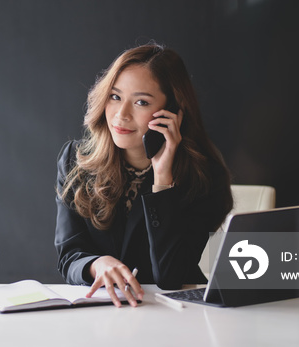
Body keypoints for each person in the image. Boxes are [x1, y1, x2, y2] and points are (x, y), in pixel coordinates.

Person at [55, 43, 233, 307]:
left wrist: (163, 178)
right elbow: (69, 255)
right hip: (98, 313)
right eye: (115, 96)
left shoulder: (203, 174)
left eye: (141, 102)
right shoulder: (76, 160)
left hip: (174, 314)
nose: (121, 114)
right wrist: (96, 264)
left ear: (173, 112)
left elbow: (171, 277)